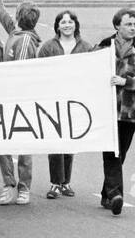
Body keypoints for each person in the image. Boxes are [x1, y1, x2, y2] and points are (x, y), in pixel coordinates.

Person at [98, 8, 135, 215]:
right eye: (128, 24)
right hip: (107, 110)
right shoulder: (105, 46)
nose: (132, 28)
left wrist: (127, 81)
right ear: (117, 26)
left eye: (134, 24)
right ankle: (116, 195)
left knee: (120, 153)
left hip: (130, 112)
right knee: (111, 152)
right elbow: (91, 73)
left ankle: (107, 194)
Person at [0, 0, 41, 205]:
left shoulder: (26, 41)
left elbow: (18, 72)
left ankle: (22, 186)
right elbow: (0, 11)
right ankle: (11, 184)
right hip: (7, 95)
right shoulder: (15, 33)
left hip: (18, 97)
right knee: (5, 141)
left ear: (19, 17)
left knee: (21, 143)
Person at [37, 11, 93, 198]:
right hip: (54, 101)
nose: (67, 25)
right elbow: (40, 73)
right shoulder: (48, 47)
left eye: (70, 22)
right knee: (55, 144)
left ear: (76, 25)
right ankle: (55, 183)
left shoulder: (86, 47)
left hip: (76, 102)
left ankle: (66, 182)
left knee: (70, 143)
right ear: (57, 26)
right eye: (63, 22)